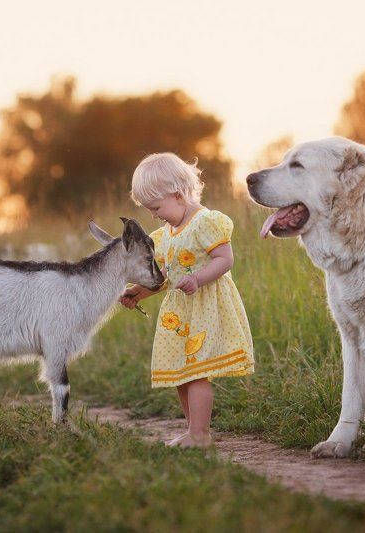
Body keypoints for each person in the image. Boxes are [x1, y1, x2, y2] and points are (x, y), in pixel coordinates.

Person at [120, 153, 254, 448]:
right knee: (181, 372)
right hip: (180, 312)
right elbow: (165, 275)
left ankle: (200, 434)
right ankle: (192, 430)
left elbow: (225, 259)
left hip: (205, 306)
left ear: (178, 195)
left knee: (196, 372)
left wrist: (197, 279)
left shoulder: (206, 222)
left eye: (156, 208)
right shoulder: (166, 234)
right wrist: (140, 291)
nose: (154, 215)